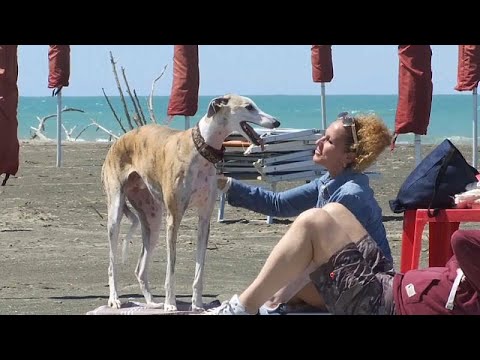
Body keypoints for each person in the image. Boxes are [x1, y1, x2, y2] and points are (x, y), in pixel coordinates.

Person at [217, 112, 393, 313]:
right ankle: (257, 307)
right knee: (280, 279)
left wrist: (275, 296)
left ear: (348, 157)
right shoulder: (327, 182)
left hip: (368, 288)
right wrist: (226, 184)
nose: (319, 141)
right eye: (323, 136)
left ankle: (252, 308)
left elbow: (335, 262)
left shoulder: (351, 195)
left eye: (329, 141)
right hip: (348, 277)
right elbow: (278, 204)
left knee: (281, 281)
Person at [205, 203, 480, 315]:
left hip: (381, 305)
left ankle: (242, 308)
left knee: (314, 222)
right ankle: (275, 302)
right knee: (335, 210)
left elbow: (461, 240)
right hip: (391, 284)